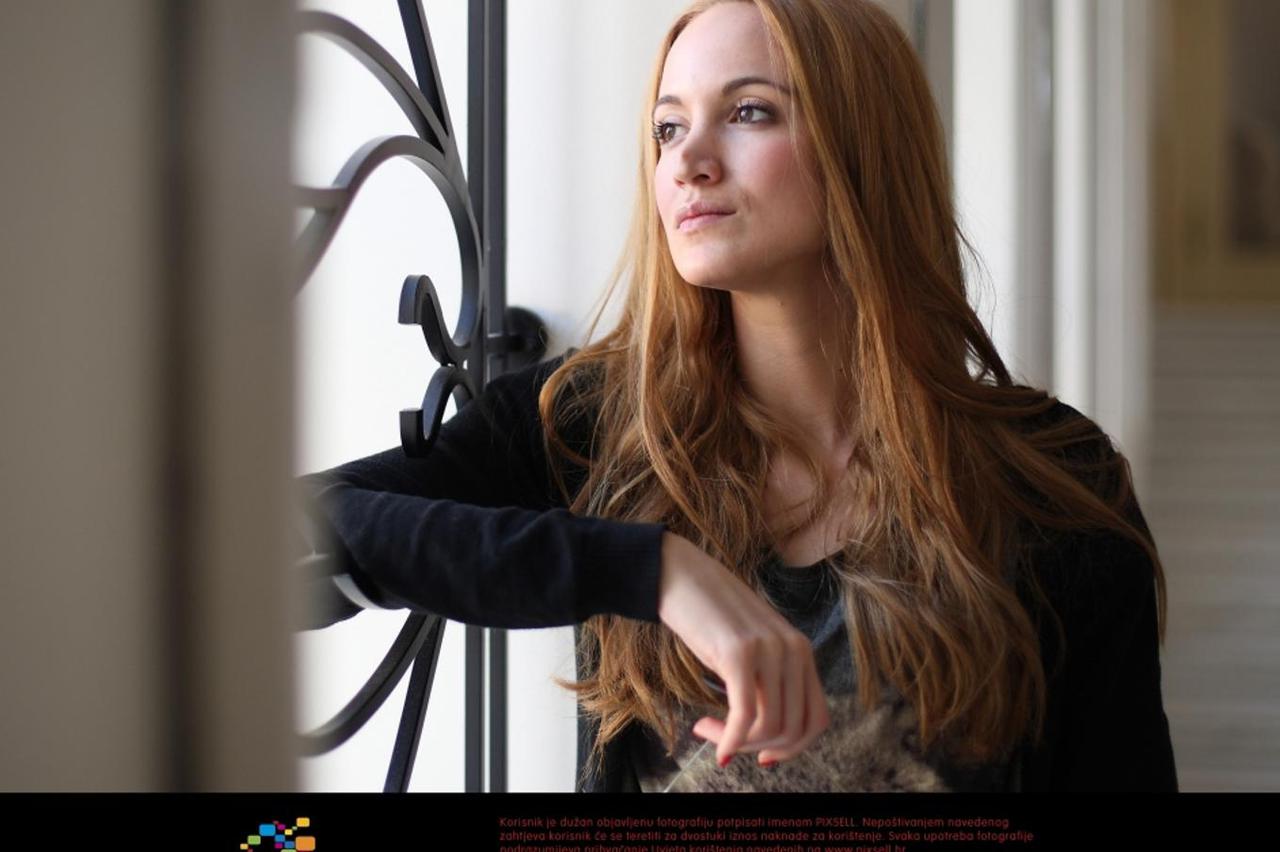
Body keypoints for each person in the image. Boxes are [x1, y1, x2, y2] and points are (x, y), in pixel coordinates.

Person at [296, 0, 1177, 792]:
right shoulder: (600, 425)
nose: (688, 161)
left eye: (750, 112)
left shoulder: (1054, 482)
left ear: (861, 147)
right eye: (668, 127)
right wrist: (652, 571)